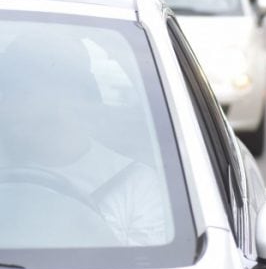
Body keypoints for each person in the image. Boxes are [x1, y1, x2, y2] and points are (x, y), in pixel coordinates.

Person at [0, 33, 167, 247]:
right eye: (6, 91)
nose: (5, 105)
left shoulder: (136, 185)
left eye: (21, 92)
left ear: (62, 100)